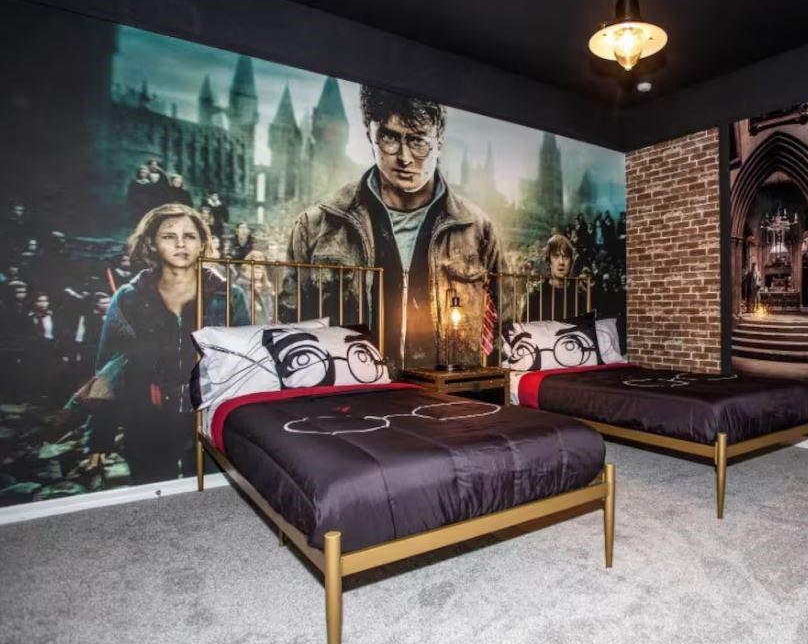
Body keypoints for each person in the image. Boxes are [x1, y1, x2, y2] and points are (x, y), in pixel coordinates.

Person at [287, 87, 502, 369]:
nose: (405, 158)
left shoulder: (478, 229)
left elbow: (501, 330)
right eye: (389, 137)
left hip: (449, 389)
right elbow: (290, 332)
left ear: (439, 142)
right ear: (370, 135)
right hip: (353, 387)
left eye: (418, 141)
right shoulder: (315, 226)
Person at [84, 203, 249, 484]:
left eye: (190, 236)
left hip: (211, 419)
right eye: (169, 236)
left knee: (212, 497)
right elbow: (109, 370)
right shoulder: (129, 298)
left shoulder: (229, 296)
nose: (180, 244)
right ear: (152, 243)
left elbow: (246, 365)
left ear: (202, 243)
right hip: (148, 421)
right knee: (156, 497)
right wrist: (100, 435)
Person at [237, 250, 277, 324]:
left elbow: (270, 300)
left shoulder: (265, 280)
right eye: (256, 263)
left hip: (266, 317)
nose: (259, 266)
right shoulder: (243, 281)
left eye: (261, 263)